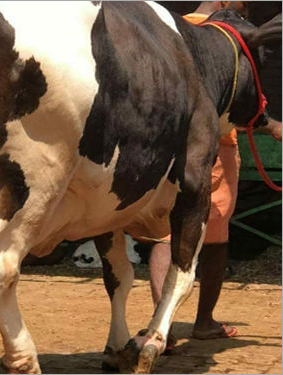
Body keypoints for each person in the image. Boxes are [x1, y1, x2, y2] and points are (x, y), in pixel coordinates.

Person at [149, 1, 282, 347]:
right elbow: (241, 104)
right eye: (243, 2)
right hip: (214, 148)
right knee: (214, 237)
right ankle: (203, 321)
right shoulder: (225, 35)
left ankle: (161, 321)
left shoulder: (168, 28)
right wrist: (270, 124)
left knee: (167, 234)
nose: (248, 8)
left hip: (171, 145)